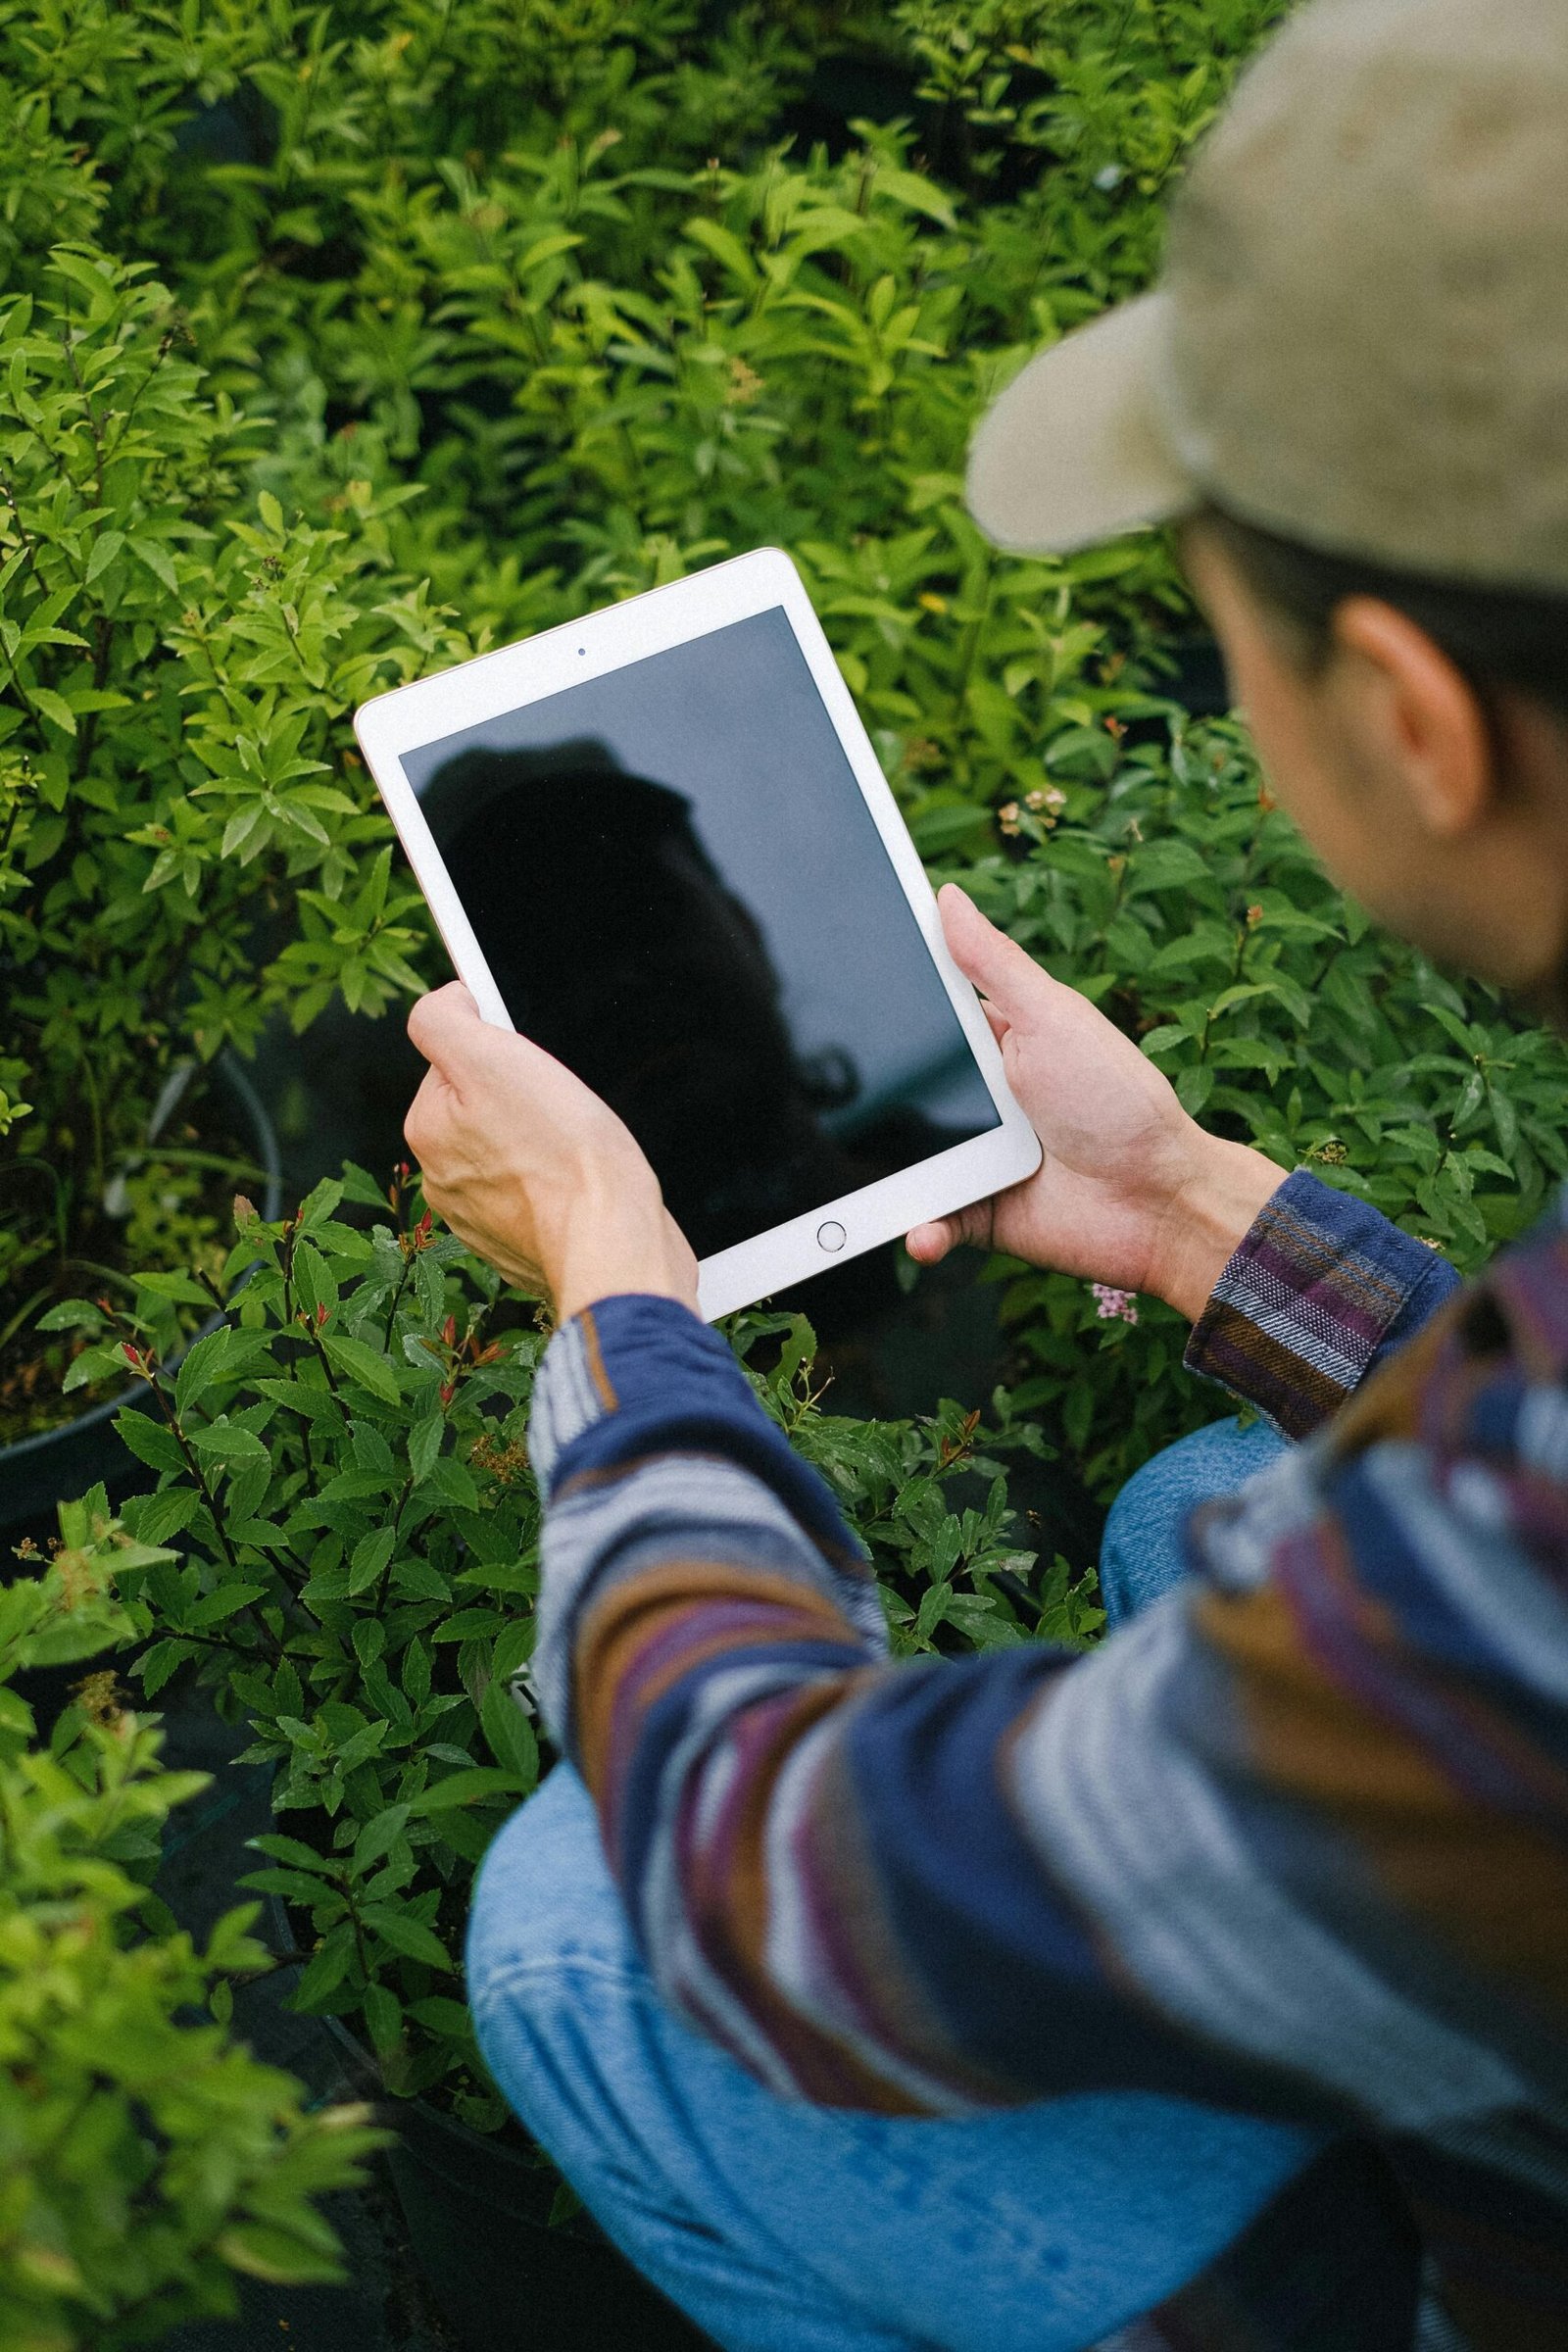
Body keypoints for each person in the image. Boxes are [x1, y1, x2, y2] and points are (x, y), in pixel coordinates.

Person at [403, 0, 1568, 2343]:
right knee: (1188, 1524)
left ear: (1415, 726)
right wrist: (1186, 1210)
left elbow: (779, 1882)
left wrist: (624, 1308)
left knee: (578, 1912)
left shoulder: (1487, 1609)